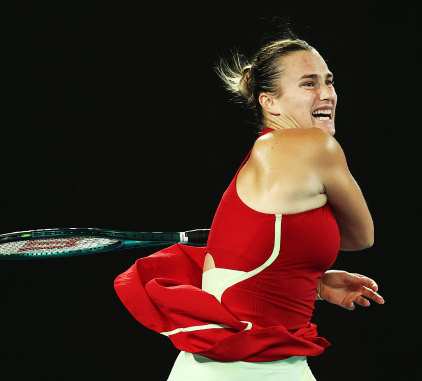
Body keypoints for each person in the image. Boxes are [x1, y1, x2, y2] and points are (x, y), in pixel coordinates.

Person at [114, 37, 384, 380]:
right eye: (308, 83)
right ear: (270, 102)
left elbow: (243, 268)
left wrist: (310, 283)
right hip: (245, 371)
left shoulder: (263, 159)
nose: (327, 93)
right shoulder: (315, 145)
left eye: (329, 80)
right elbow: (361, 235)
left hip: (243, 368)